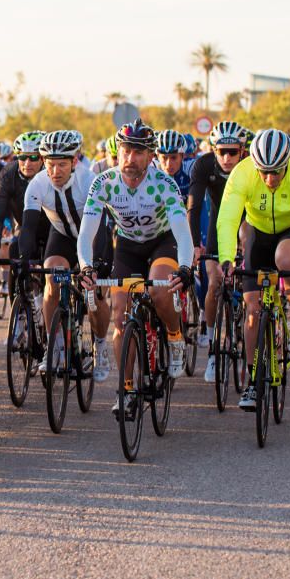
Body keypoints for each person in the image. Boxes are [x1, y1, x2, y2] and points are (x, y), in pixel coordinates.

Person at [77, 119, 194, 407]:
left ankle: (175, 336)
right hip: (128, 247)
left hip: (162, 241)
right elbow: (87, 232)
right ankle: (126, 389)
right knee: (120, 317)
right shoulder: (104, 183)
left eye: (139, 152)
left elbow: (182, 231)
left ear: (151, 156)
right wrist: (85, 267)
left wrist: (185, 267)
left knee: (159, 290)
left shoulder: (163, 184)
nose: (130, 158)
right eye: (126, 150)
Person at [217, 129, 290, 409]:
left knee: (287, 260)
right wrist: (227, 258)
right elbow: (227, 217)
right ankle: (253, 381)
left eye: (276, 172)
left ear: (288, 163)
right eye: (264, 172)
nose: (269, 179)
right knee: (252, 311)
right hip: (257, 230)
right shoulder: (242, 172)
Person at [20, 130, 112, 381]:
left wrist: (98, 263)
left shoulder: (89, 180)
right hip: (61, 236)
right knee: (52, 278)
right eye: (50, 164)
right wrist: (24, 260)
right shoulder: (37, 184)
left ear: (74, 161)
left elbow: (100, 227)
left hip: (92, 236)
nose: (56, 171)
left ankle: (100, 345)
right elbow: (28, 226)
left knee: (95, 293)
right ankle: (56, 346)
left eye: (62, 164)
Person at [187, 120, 248, 382]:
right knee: (214, 282)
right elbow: (195, 207)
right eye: (221, 151)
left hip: (247, 220)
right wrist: (194, 245)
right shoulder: (203, 165)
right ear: (213, 149)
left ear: (242, 151)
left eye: (232, 152)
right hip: (218, 222)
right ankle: (213, 347)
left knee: (250, 285)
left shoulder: (251, 166)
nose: (226, 157)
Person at [0, 130, 47, 307]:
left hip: (53, 228)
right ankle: (17, 312)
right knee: (14, 252)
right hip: (25, 226)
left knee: (51, 266)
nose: (27, 163)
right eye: (22, 157)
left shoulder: (52, 174)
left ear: (42, 158)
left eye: (33, 158)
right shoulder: (8, 174)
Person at [155, 129, 195, 197]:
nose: (169, 164)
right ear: (158, 156)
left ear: (182, 156)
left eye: (173, 158)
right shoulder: (153, 168)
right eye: (164, 158)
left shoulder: (189, 166)